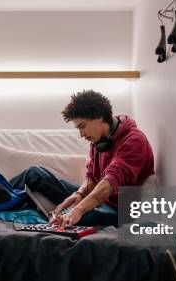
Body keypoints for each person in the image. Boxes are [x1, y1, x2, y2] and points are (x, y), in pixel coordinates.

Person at [10, 90, 155, 227]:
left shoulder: (134, 141)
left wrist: (78, 209)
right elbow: (91, 177)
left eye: (82, 126)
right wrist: (79, 194)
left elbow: (107, 186)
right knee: (34, 174)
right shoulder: (98, 141)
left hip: (121, 211)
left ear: (99, 116)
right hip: (98, 200)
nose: (81, 134)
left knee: (71, 219)